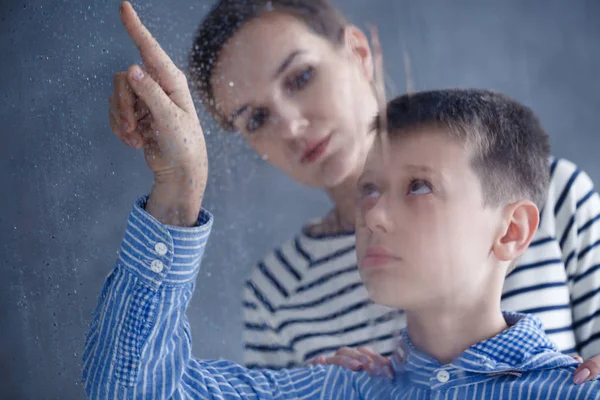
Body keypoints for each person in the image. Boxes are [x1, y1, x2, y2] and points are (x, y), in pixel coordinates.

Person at [84, 5, 600, 398]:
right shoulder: (277, 293)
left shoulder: (549, 195)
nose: (290, 124)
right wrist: (177, 189)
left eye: (301, 77)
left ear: (356, 51)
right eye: (256, 118)